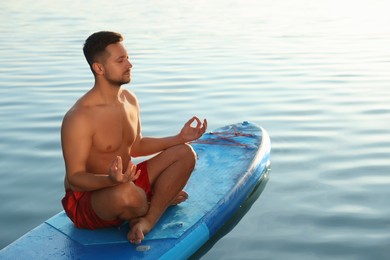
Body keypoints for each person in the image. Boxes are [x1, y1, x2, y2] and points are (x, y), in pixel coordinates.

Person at [60, 31, 207, 244]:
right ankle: (159, 201)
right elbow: (74, 178)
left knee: (185, 153)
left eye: (127, 58)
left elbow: (136, 145)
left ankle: (147, 220)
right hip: (91, 199)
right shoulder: (79, 117)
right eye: (120, 60)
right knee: (128, 195)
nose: (129, 64)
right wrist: (110, 180)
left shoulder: (129, 99)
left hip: (129, 181)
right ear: (99, 68)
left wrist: (179, 137)